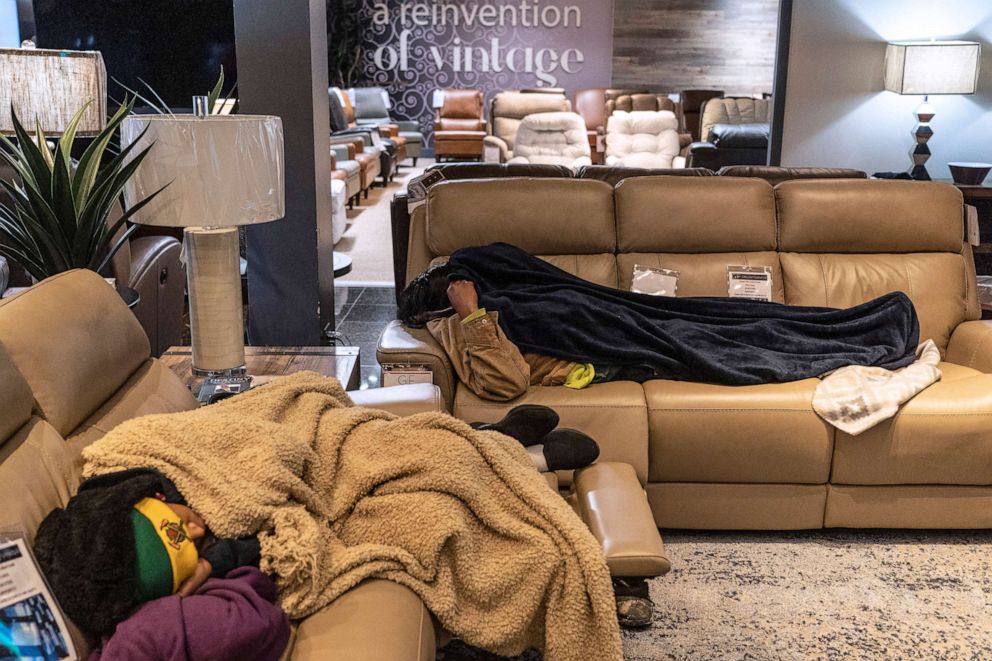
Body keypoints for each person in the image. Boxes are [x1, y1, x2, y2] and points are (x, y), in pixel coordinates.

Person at [33, 404, 602, 639]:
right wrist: (210, 564)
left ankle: (486, 440)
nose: (200, 529)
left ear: (143, 501)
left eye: (178, 529)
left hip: (308, 450)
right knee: (434, 500)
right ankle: (504, 450)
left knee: (393, 440)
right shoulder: (213, 547)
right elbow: (275, 539)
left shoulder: (136, 458)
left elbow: (267, 432)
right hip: (320, 499)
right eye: (190, 552)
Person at [397, 244, 920, 403]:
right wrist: (471, 315)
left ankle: (866, 321)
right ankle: (862, 334)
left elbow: (522, 271)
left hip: (613, 317)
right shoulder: (456, 325)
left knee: (738, 318)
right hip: (610, 347)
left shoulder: (470, 290)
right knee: (728, 342)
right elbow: (506, 382)